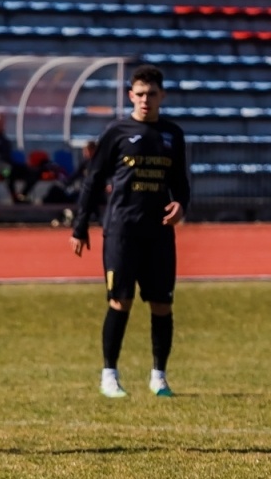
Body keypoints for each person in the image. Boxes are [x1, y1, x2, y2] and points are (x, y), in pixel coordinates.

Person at [70, 65, 190, 399]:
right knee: (119, 301)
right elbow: (94, 179)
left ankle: (159, 377)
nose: (145, 100)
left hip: (160, 234)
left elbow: (180, 183)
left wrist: (181, 205)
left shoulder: (172, 135)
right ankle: (109, 374)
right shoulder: (117, 131)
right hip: (122, 230)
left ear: (161, 95)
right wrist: (80, 227)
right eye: (139, 94)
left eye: (152, 94)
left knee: (162, 305)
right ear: (130, 96)